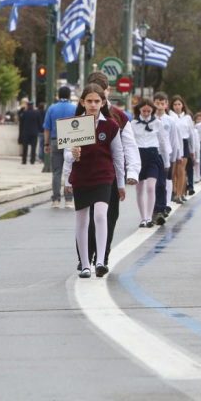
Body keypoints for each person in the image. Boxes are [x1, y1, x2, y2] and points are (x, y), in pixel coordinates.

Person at [63, 84, 126, 279]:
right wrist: (70, 166)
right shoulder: (75, 124)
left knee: (100, 214)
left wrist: (121, 183)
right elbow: (66, 154)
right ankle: (84, 264)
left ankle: (100, 260)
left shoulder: (111, 126)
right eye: (89, 101)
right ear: (82, 102)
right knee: (81, 219)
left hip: (103, 176)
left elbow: (118, 155)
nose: (92, 105)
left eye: (96, 101)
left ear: (103, 102)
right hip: (81, 176)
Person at [83, 72, 140, 271]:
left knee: (110, 215)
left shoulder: (119, 117)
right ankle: (87, 256)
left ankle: (102, 255)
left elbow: (129, 146)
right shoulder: (80, 117)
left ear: (108, 91)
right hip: (86, 174)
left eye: (101, 94)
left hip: (111, 175)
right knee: (91, 216)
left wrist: (132, 172)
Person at [131, 98, 169, 227]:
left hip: (153, 156)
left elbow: (163, 142)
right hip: (139, 156)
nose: (146, 113)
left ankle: (149, 216)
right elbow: (130, 144)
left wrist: (166, 162)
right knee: (139, 188)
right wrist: (129, 162)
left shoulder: (157, 123)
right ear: (139, 110)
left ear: (152, 110)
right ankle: (143, 218)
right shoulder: (134, 124)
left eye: (149, 111)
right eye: (144, 111)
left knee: (151, 187)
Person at [43, 86, 77, 208]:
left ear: (58, 95)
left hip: (55, 141)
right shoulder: (74, 108)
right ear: (69, 96)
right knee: (70, 170)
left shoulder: (52, 108)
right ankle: (69, 199)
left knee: (56, 172)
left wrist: (46, 144)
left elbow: (46, 128)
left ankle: (56, 200)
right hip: (70, 141)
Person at [154, 92, 182, 219]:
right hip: (153, 154)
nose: (159, 106)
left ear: (166, 104)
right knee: (153, 183)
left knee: (163, 182)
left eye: (162, 103)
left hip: (166, 154)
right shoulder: (151, 119)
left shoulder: (170, 121)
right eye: (157, 103)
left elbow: (174, 139)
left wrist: (176, 156)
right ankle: (155, 207)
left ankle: (163, 206)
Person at [170, 95, 198, 202]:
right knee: (173, 170)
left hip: (184, 142)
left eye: (179, 104)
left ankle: (180, 194)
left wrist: (192, 151)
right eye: (175, 104)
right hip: (173, 143)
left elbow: (192, 135)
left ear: (182, 105)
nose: (177, 107)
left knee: (181, 170)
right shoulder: (169, 117)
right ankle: (173, 190)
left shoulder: (187, 118)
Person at [20, 101, 42, 165]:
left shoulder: (25, 113)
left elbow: (21, 123)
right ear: (32, 105)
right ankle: (32, 160)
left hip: (26, 132)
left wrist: (21, 132)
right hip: (34, 132)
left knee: (25, 147)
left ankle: (24, 160)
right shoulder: (37, 113)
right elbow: (40, 123)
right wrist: (40, 130)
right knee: (33, 147)